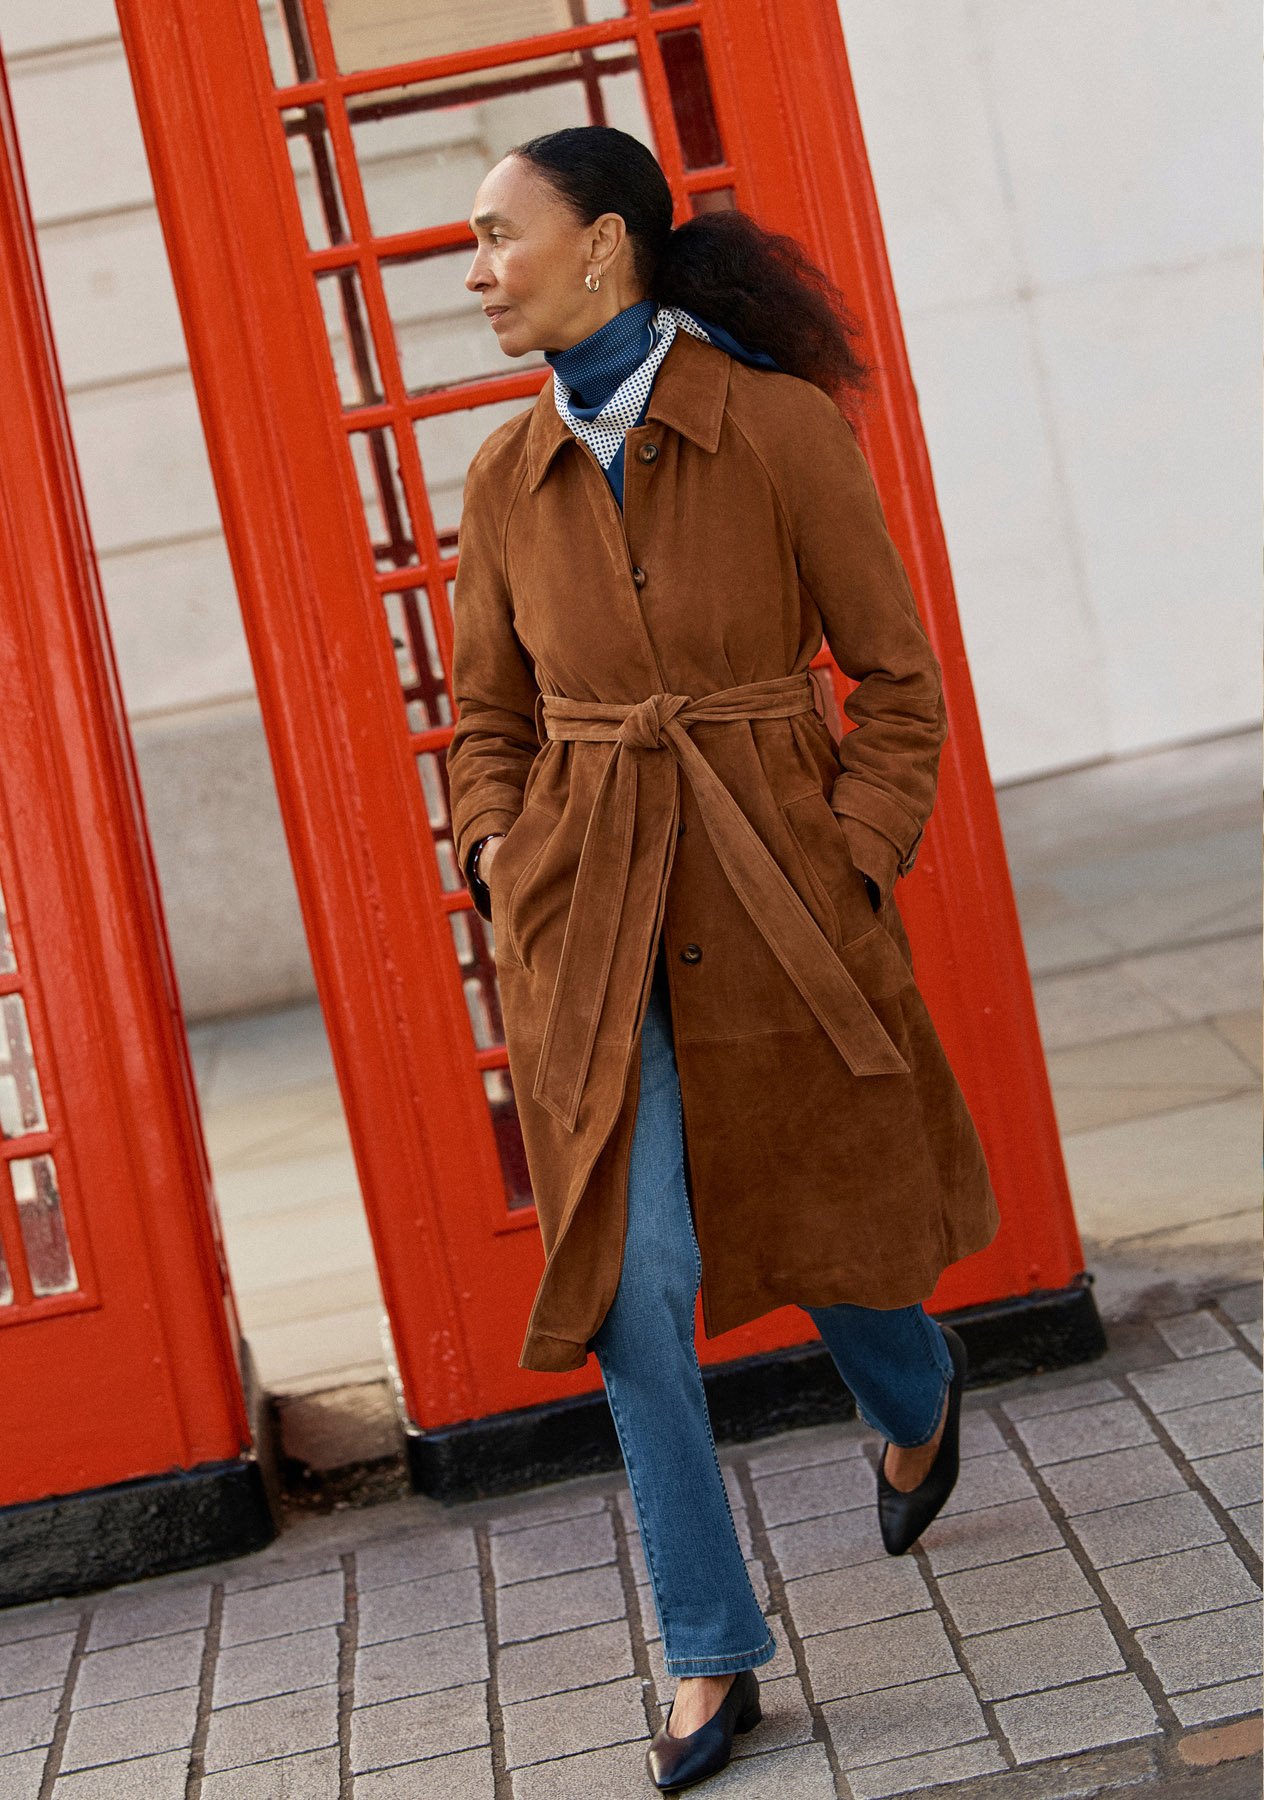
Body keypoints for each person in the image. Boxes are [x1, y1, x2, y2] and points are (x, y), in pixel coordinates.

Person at [446, 124, 999, 1793]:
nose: (475, 271)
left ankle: (912, 1386)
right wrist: (495, 854)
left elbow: (896, 683)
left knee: (821, 1210)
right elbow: (485, 718)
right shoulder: (498, 475)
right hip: (590, 916)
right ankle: (708, 1650)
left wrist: (851, 853)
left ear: (603, 244)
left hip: (777, 891)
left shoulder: (773, 425)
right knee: (638, 1280)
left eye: (496, 235)